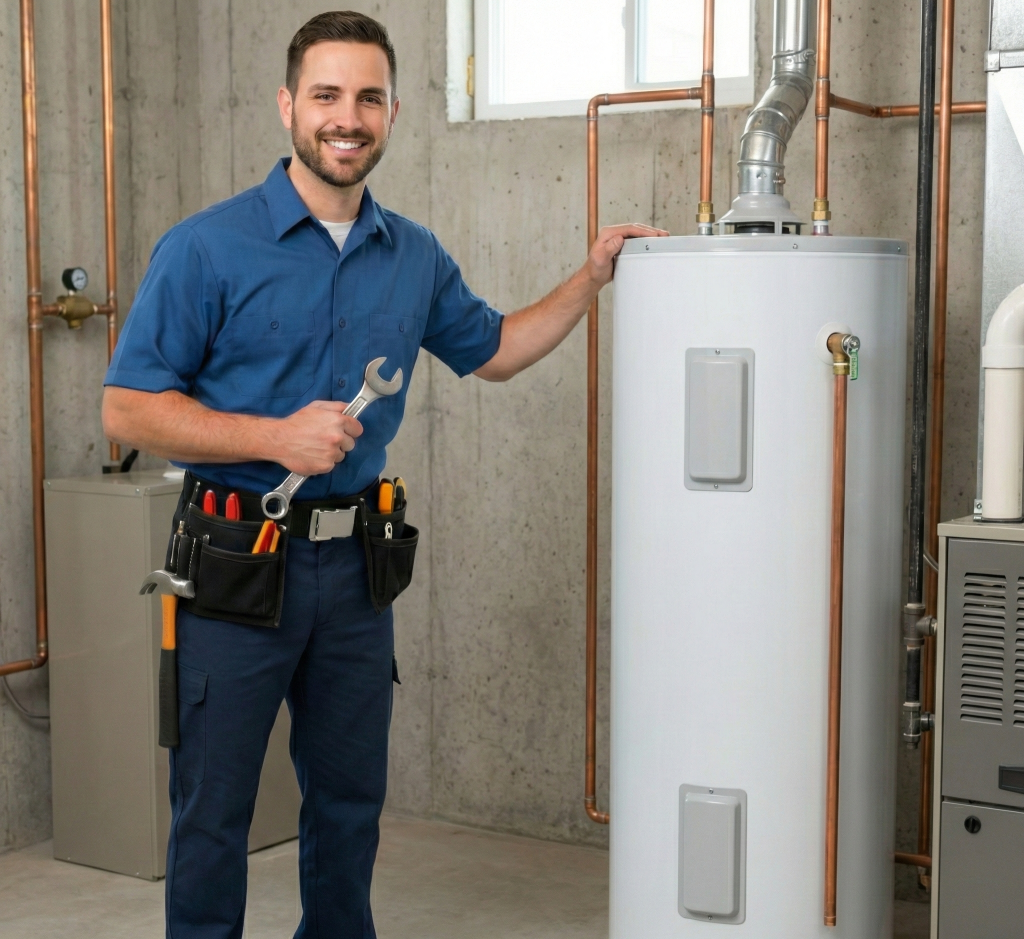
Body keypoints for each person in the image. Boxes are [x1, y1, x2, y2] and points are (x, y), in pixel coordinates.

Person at [102, 10, 666, 939]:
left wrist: (592, 274)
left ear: (394, 111)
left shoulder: (414, 256)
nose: (346, 117)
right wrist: (275, 436)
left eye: (368, 97)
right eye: (326, 94)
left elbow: (495, 350)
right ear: (289, 104)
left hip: (356, 573)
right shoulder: (206, 249)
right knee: (213, 814)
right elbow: (127, 408)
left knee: (351, 807)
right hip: (236, 563)